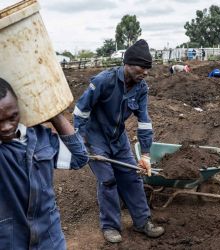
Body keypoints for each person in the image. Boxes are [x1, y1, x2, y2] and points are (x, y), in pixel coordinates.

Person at [73, 39, 165, 243]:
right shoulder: (103, 80)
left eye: (148, 68)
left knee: (132, 177)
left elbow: (144, 121)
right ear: (128, 64)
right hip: (95, 137)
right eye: (142, 67)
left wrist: (147, 154)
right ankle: (110, 226)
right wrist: (79, 141)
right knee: (108, 180)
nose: (146, 72)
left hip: (118, 139)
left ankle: (142, 222)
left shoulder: (141, 88)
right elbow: (81, 110)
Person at [0, 78, 89, 250]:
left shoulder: (40, 137)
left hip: (50, 238)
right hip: (10, 242)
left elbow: (79, 158)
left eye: (13, 116)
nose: (5, 127)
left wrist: (53, 111)